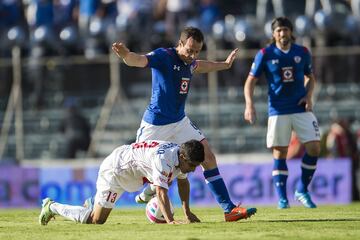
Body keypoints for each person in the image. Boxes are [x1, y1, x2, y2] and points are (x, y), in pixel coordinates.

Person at [111, 26, 256, 222]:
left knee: (208, 156)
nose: (192, 55)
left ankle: (228, 209)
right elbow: (139, 60)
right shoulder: (164, 56)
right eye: (190, 50)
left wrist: (224, 65)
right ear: (180, 44)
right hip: (155, 125)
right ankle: (140, 194)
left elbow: (200, 65)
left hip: (180, 121)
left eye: (197, 51)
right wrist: (126, 55)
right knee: (143, 174)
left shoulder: (190, 61)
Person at [244, 17, 321, 209]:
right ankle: (282, 199)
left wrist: (309, 96)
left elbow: (310, 77)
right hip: (278, 109)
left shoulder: (302, 52)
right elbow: (250, 81)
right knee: (280, 153)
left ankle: (302, 189)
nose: (282, 34)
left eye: (285, 30)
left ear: (291, 32)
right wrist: (249, 104)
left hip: (300, 107)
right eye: (278, 30)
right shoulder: (265, 53)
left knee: (314, 147)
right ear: (273, 34)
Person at [39, 139, 204, 225]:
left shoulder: (179, 155)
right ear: (182, 157)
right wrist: (170, 221)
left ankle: (144, 195)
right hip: (115, 172)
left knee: (168, 178)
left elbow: (183, 183)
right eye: (192, 165)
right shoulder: (164, 160)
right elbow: (162, 192)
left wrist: (187, 213)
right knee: (96, 220)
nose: (193, 169)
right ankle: (51, 206)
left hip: (133, 172)